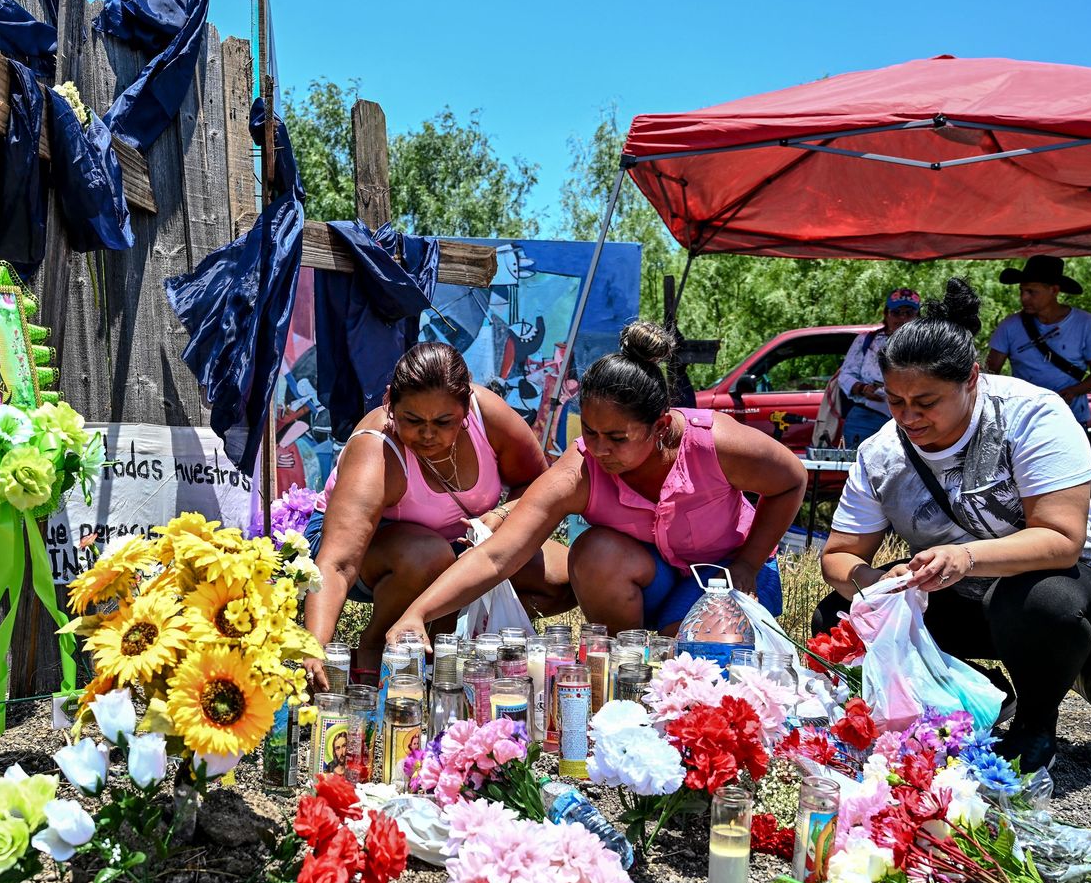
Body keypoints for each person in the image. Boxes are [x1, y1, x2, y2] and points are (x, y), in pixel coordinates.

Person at [816, 278, 1091, 772]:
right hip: (965, 593)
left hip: (1071, 597)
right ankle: (976, 693)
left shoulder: (1032, 415)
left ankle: (1035, 722)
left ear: (971, 379)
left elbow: (1060, 541)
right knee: (841, 613)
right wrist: (871, 582)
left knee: (1036, 601)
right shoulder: (880, 452)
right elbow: (839, 555)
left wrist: (964, 557)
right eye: (896, 402)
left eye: (926, 402)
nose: (909, 417)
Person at [387, 322, 806, 642]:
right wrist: (417, 614)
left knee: (695, 667)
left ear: (660, 426)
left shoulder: (716, 443)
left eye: (617, 438)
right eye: (590, 432)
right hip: (652, 579)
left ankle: (667, 648)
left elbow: (791, 480)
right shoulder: (581, 469)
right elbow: (499, 556)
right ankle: (628, 659)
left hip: (728, 574)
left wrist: (747, 563)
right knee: (594, 552)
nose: (600, 449)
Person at [303, 342, 570, 687]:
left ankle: (443, 637)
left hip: (458, 546)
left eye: (444, 422)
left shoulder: (488, 415)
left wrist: (502, 514)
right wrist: (313, 647)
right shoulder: (376, 449)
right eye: (412, 420)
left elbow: (538, 486)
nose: (428, 434)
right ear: (390, 404)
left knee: (563, 577)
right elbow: (339, 562)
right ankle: (373, 646)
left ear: (465, 410)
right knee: (428, 556)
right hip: (372, 553)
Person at [985, 255, 1091, 425]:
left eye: (1031, 292)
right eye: (1022, 291)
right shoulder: (1010, 326)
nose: (1023, 298)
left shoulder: (1086, 323)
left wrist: (1073, 391)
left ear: (1054, 291)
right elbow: (989, 374)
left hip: (1071, 418)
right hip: (1024, 419)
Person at [835, 289, 920, 447]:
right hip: (866, 416)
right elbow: (845, 375)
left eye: (909, 313)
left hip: (913, 417)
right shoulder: (867, 340)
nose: (902, 318)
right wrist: (862, 388)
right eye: (896, 313)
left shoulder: (926, 343)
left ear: (917, 316)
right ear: (887, 314)